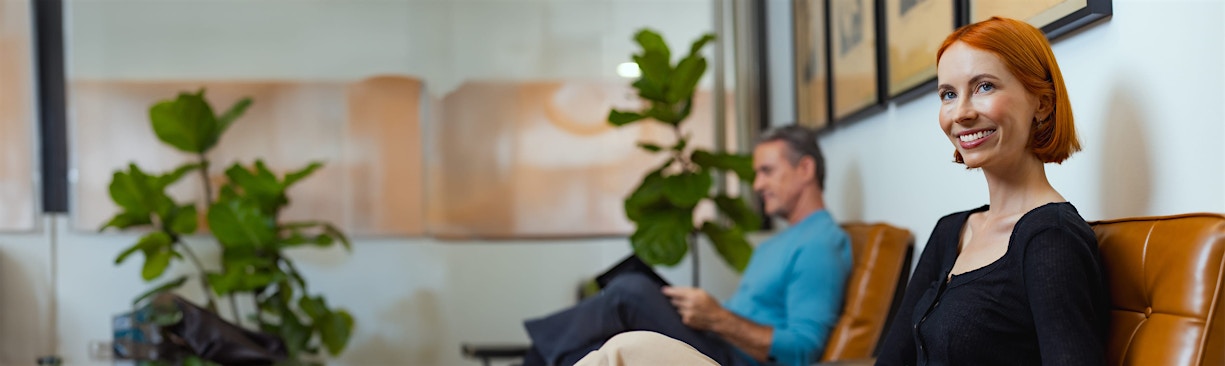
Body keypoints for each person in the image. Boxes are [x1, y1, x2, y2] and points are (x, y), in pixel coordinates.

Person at [875, 17, 1109, 365]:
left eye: (984, 87)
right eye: (949, 94)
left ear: (1041, 103)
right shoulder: (950, 231)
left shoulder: (1051, 238)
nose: (962, 113)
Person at [522, 125, 853, 366]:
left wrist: (718, 318)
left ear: (805, 169)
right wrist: (703, 314)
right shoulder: (776, 244)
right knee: (598, 347)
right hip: (716, 341)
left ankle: (529, 357)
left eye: (767, 171)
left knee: (631, 291)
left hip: (731, 359)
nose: (758, 184)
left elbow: (804, 349)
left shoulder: (821, 243)